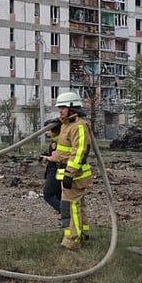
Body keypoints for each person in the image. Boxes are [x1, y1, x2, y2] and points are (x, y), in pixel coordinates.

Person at [45, 91, 93, 250]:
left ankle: (72, 241)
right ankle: (84, 234)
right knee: (79, 206)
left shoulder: (79, 126)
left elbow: (79, 152)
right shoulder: (67, 125)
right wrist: (55, 130)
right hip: (67, 173)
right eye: (59, 108)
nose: (60, 111)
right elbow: (63, 146)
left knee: (71, 207)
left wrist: (69, 174)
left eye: (63, 108)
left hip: (75, 175)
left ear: (73, 108)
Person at [39, 117, 62, 215]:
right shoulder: (54, 141)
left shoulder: (60, 141)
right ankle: (66, 217)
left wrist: (47, 158)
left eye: (47, 130)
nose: (46, 133)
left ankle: (65, 211)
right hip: (57, 171)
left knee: (47, 194)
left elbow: (57, 157)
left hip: (57, 171)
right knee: (59, 194)